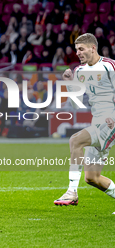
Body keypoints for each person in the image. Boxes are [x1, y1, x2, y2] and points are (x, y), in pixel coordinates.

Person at [54, 33, 115, 210]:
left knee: (75, 140)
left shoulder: (109, 66)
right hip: (98, 121)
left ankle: (72, 192)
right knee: (92, 178)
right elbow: (77, 103)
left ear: (92, 48)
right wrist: (69, 84)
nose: (78, 53)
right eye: (76, 50)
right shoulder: (79, 71)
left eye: (81, 49)